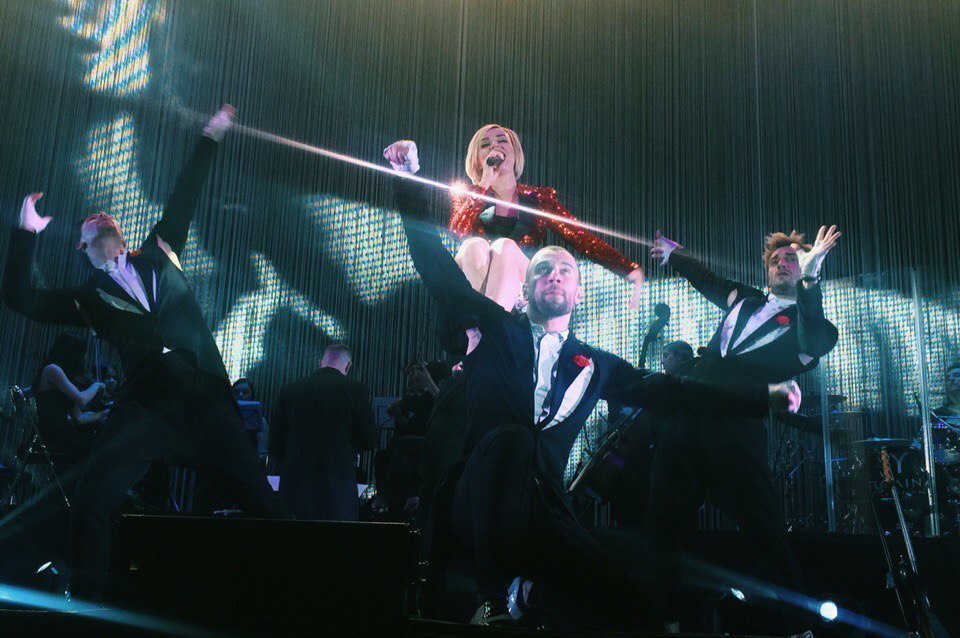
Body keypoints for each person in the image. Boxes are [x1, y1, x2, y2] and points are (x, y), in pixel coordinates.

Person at [383, 139, 801, 628]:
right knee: (513, 439)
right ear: (525, 290)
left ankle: (538, 592)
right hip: (478, 502)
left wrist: (761, 398)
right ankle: (493, 599)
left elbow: (675, 392)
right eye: (543, 270)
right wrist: (408, 179)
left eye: (566, 270)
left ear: (578, 292)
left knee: (630, 607)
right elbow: (435, 267)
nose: (554, 276)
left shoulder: (595, 365)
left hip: (546, 512)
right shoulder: (497, 332)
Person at [2, 105, 291, 600]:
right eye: (89, 220)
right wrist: (26, 232)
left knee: (261, 499)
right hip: (146, 407)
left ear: (120, 230)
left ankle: (298, 588)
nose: (100, 215)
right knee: (93, 495)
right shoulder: (88, 299)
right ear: (82, 246)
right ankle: (89, 601)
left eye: (105, 214)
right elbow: (20, 298)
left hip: (203, 398)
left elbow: (185, 194)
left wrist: (210, 137)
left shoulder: (160, 249)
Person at [646, 227, 840, 632]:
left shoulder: (816, 327)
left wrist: (810, 281)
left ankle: (800, 628)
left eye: (792, 259)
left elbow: (811, 335)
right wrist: (674, 255)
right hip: (686, 417)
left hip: (736, 429)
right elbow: (707, 279)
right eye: (776, 260)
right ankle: (666, 621)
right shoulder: (746, 299)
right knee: (662, 526)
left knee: (763, 532)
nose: (783, 264)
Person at [388, 127, 643, 357]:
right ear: (477, 158)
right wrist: (485, 183)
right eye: (485, 144)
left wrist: (628, 268)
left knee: (505, 247)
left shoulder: (539, 198)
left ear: (515, 152)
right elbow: (459, 230)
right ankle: (474, 330)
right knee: (474, 246)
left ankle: (489, 334)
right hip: (478, 286)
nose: (495, 146)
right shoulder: (467, 194)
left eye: (502, 141)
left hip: (522, 282)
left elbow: (580, 236)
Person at [269, 344, 377, 521]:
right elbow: (369, 440)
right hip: (337, 487)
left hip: (295, 485)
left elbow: (275, 445)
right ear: (348, 366)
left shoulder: (290, 389)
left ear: (320, 363)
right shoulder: (356, 390)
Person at [32, 334, 108, 460]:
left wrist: (105, 413)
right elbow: (81, 399)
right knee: (101, 447)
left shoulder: (64, 376)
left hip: (64, 432)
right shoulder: (52, 369)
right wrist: (97, 385)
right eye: (83, 353)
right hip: (51, 434)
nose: (84, 357)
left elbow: (78, 418)